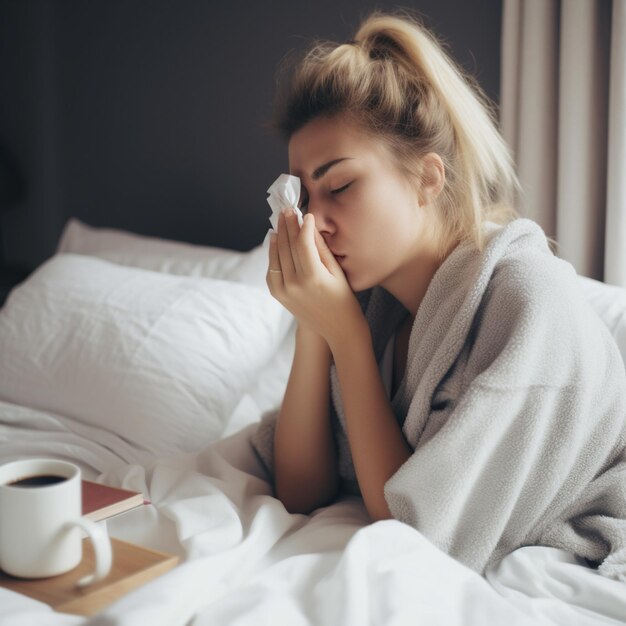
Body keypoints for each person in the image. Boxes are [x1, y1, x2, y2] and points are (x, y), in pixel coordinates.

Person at [252, 11, 626, 580]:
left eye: (342, 186)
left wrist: (346, 338)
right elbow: (301, 491)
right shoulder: (383, 308)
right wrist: (317, 324)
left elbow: (418, 538)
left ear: (429, 178)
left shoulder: (527, 303)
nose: (315, 223)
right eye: (306, 198)